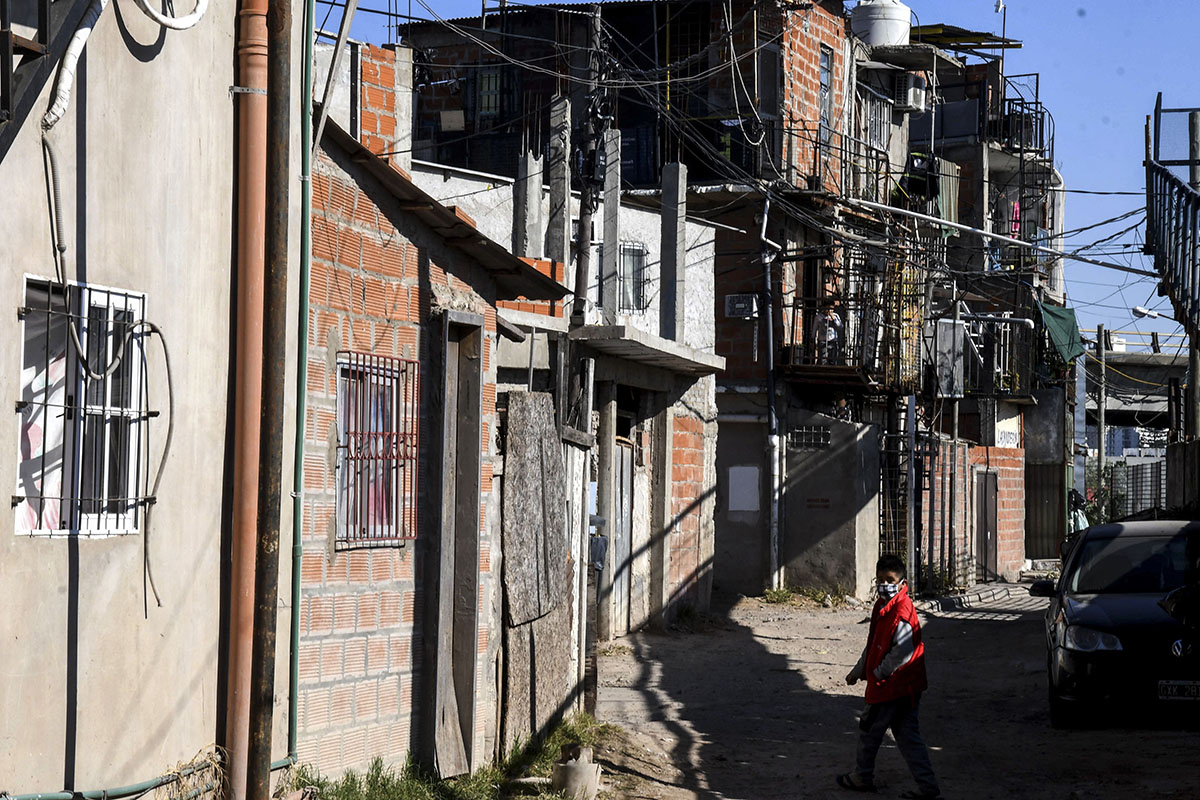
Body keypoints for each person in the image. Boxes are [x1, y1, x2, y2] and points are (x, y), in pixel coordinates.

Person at [837, 555, 941, 799]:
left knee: (868, 730)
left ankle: (862, 776)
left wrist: (877, 673)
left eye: (890, 579)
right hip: (904, 688)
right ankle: (929, 790)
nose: (885, 584)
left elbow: (902, 653)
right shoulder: (883, 607)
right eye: (881, 579)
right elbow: (874, 643)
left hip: (891, 688)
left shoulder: (901, 611)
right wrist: (859, 670)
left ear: (902, 581)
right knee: (908, 738)